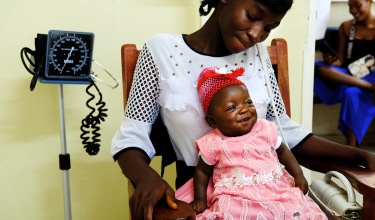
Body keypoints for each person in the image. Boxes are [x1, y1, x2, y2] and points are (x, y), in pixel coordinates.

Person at [111, 0, 375, 219]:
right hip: (202, 195)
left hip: (271, 192)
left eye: (269, 27)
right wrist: (145, 177)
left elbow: (288, 134)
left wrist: (360, 156)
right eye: (252, 16)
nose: (256, 34)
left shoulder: (258, 56)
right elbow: (133, 133)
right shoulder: (161, 50)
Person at [175, 67, 327, 219]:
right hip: (235, 196)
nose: (243, 110)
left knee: (291, 208)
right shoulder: (212, 142)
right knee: (228, 212)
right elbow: (202, 172)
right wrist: (200, 199)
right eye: (231, 107)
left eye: (248, 102)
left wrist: (298, 174)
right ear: (212, 121)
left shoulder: (265, 129)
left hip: (275, 190)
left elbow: (283, 152)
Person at [314, 0, 375, 147]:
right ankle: (368, 87)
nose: (353, 10)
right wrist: (331, 61)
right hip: (350, 75)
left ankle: (351, 148)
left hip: (371, 76)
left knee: (352, 94)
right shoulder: (347, 28)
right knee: (319, 67)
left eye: (357, 5)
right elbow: (340, 61)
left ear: (369, 2)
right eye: (350, 6)